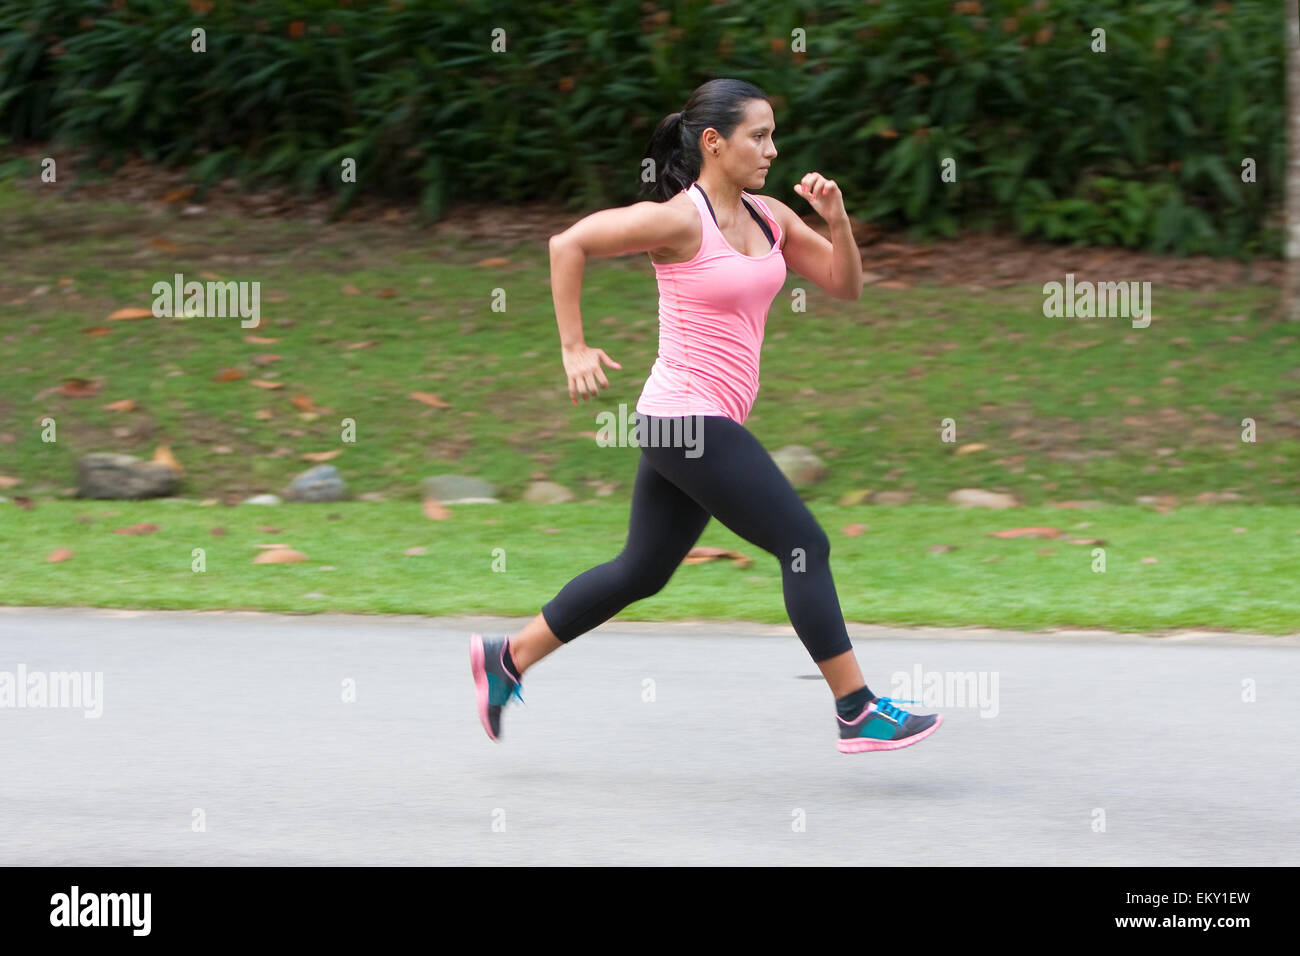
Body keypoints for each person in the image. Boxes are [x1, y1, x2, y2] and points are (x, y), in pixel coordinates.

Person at [470, 78, 942, 754]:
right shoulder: (678, 220)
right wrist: (573, 347)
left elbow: (845, 285)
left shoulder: (772, 217)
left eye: (774, 135)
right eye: (759, 136)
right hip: (685, 420)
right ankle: (857, 708)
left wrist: (837, 220)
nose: (772, 149)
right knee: (805, 544)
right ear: (714, 143)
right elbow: (566, 244)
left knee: (642, 571)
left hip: (696, 422)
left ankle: (506, 658)